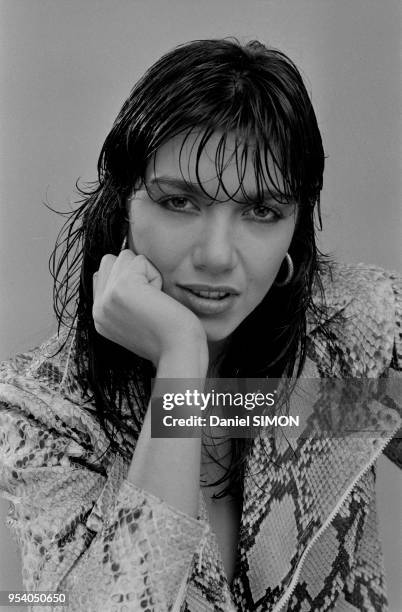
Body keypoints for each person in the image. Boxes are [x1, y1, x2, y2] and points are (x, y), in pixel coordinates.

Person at [0, 38, 400, 612]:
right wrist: (181, 359)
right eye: (180, 202)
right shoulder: (43, 412)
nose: (217, 255)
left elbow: (344, 407)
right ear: (124, 205)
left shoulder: (345, 331)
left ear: (295, 227)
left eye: (262, 211)